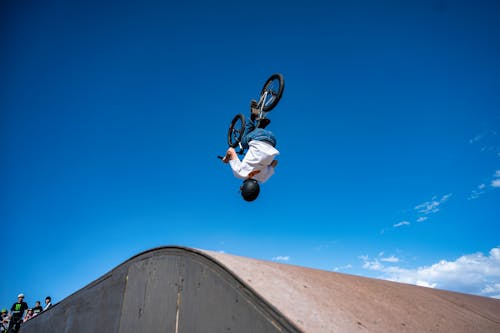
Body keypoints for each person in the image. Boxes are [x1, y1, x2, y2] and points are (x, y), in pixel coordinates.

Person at [222, 100, 279, 201]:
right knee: (243, 142)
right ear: (244, 188)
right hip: (258, 138)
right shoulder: (240, 173)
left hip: (273, 141)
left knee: (253, 144)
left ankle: (260, 125)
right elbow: (231, 150)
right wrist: (226, 159)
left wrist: (263, 163)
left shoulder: (264, 178)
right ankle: (253, 115)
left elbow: (275, 162)